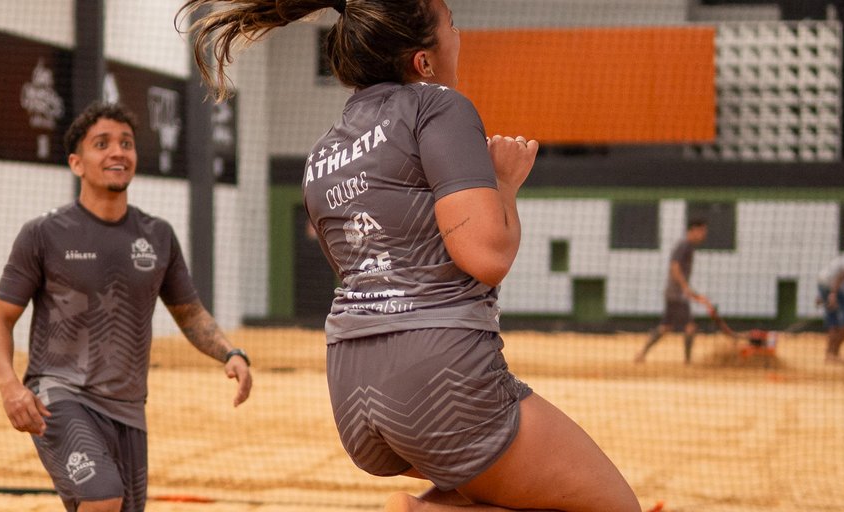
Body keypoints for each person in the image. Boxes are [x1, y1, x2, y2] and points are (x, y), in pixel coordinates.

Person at [178, 1, 640, 510]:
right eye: (451, 25)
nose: (459, 33)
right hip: (439, 376)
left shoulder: (324, 152)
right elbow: (486, 255)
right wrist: (504, 184)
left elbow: (362, 270)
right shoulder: (438, 104)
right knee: (613, 505)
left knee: (482, 485)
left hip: (353, 389)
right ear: (423, 62)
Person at [0, 101, 252, 512]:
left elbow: (190, 312)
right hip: (57, 394)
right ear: (77, 162)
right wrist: (9, 388)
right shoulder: (43, 234)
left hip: (128, 408)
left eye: (126, 143)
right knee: (103, 497)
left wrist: (229, 353)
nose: (117, 152)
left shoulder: (158, 235)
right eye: (102, 143)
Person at [635, 218, 711, 365]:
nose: (704, 235)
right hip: (677, 295)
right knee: (690, 327)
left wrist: (692, 292)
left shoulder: (687, 246)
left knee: (665, 327)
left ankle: (642, 353)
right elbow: (674, 267)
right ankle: (688, 361)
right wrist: (685, 288)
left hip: (673, 293)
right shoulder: (684, 246)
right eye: (702, 232)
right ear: (694, 230)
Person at [816, 256, 844, 364]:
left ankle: (830, 354)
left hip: (823, 285)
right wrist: (833, 294)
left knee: (833, 321)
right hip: (832, 288)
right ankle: (834, 353)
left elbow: (826, 277)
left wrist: (820, 295)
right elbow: (841, 276)